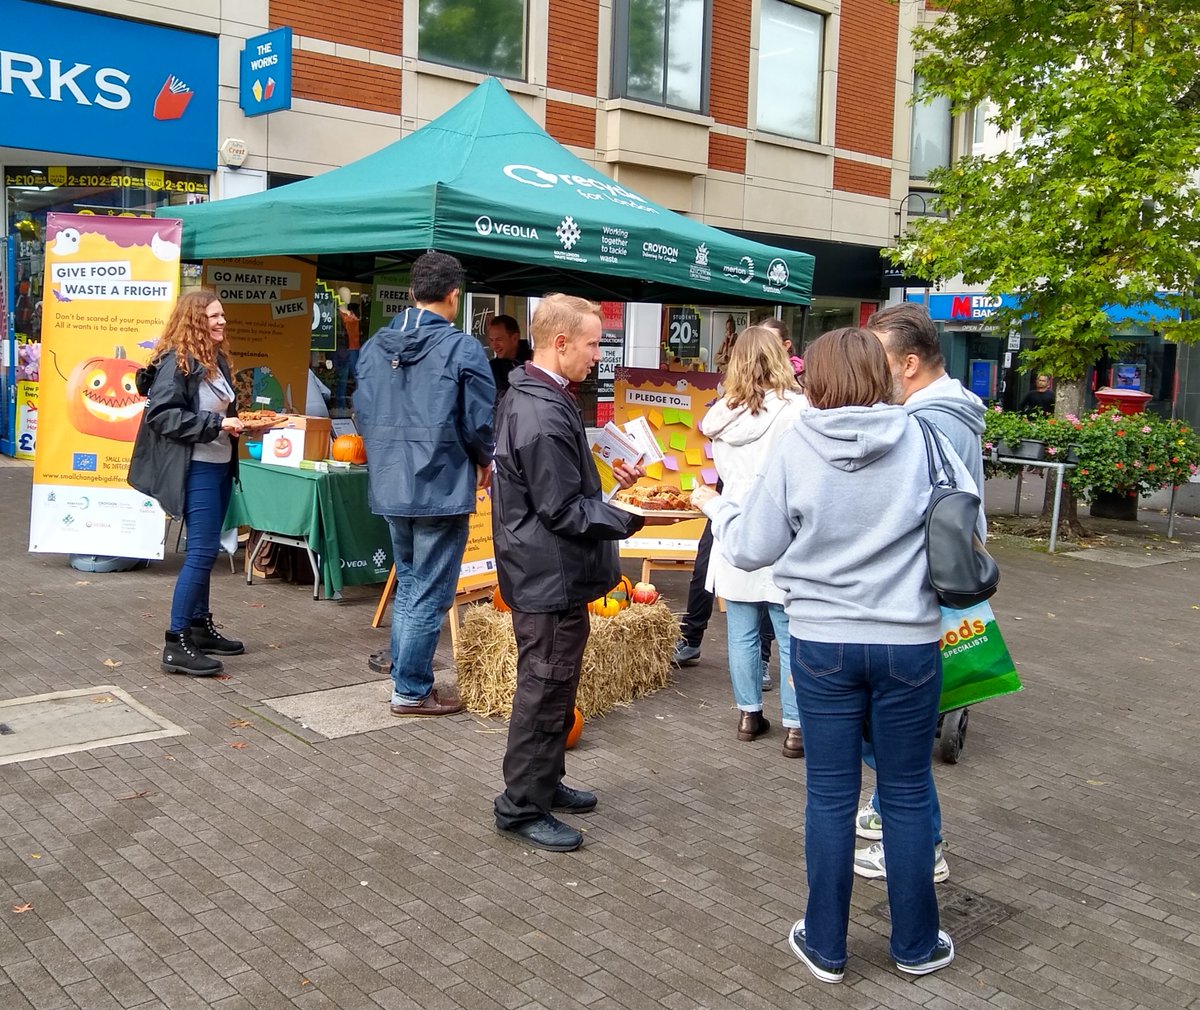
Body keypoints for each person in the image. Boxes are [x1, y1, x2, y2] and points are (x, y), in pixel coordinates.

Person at [692, 327, 981, 982]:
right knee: (907, 791)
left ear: (815, 379)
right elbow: (970, 530)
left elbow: (753, 545)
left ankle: (825, 944)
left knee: (829, 794)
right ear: (881, 375)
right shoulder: (926, 439)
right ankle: (916, 945)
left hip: (821, 642)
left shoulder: (797, 445)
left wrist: (720, 508)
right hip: (909, 641)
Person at [491, 293, 663, 853]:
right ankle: (521, 806)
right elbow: (561, 508)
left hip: (550, 570)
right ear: (560, 343)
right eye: (592, 344)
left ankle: (546, 781)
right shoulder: (540, 409)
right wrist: (633, 515)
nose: (598, 354)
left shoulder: (542, 395)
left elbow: (563, 490)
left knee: (556, 683)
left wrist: (610, 484)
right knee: (543, 687)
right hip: (547, 574)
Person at [857, 301, 988, 882]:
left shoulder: (928, 420)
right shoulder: (947, 411)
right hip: (930, 584)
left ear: (909, 363)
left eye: (878, 359)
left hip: (917, 591)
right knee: (891, 726)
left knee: (891, 732)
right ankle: (891, 814)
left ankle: (920, 841)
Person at [354, 252, 495, 717]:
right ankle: (411, 688)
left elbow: (361, 411)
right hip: (441, 482)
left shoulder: (376, 345)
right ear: (455, 295)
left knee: (412, 582)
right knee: (427, 590)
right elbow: (479, 420)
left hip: (392, 480)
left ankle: (404, 674)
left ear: (414, 292)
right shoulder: (463, 348)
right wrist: (483, 460)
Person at [128, 289, 247, 677]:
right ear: (195, 319)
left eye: (222, 315)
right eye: (214, 316)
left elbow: (221, 411)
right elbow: (163, 415)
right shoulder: (177, 364)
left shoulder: (215, 361)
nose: (222, 321)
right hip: (195, 468)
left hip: (219, 466)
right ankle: (175, 641)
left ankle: (199, 626)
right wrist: (217, 424)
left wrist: (240, 424)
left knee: (207, 549)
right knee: (200, 553)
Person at [701, 326, 806, 757]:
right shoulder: (797, 409)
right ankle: (796, 727)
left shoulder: (722, 414)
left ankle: (748, 713)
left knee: (742, 628)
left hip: (734, 519)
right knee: (790, 630)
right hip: (782, 520)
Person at [487, 313, 532, 398]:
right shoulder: (491, 369)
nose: (494, 345)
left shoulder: (535, 362)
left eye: (499, 339)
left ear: (514, 338)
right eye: (491, 340)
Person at [334, 287, 362, 410]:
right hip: (345, 350)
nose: (348, 296)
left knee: (358, 379)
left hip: (355, 349)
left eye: (349, 294)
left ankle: (358, 406)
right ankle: (341, 407)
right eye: (345, 294)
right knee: (343, 380)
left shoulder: (353, 312)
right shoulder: (337, 313)